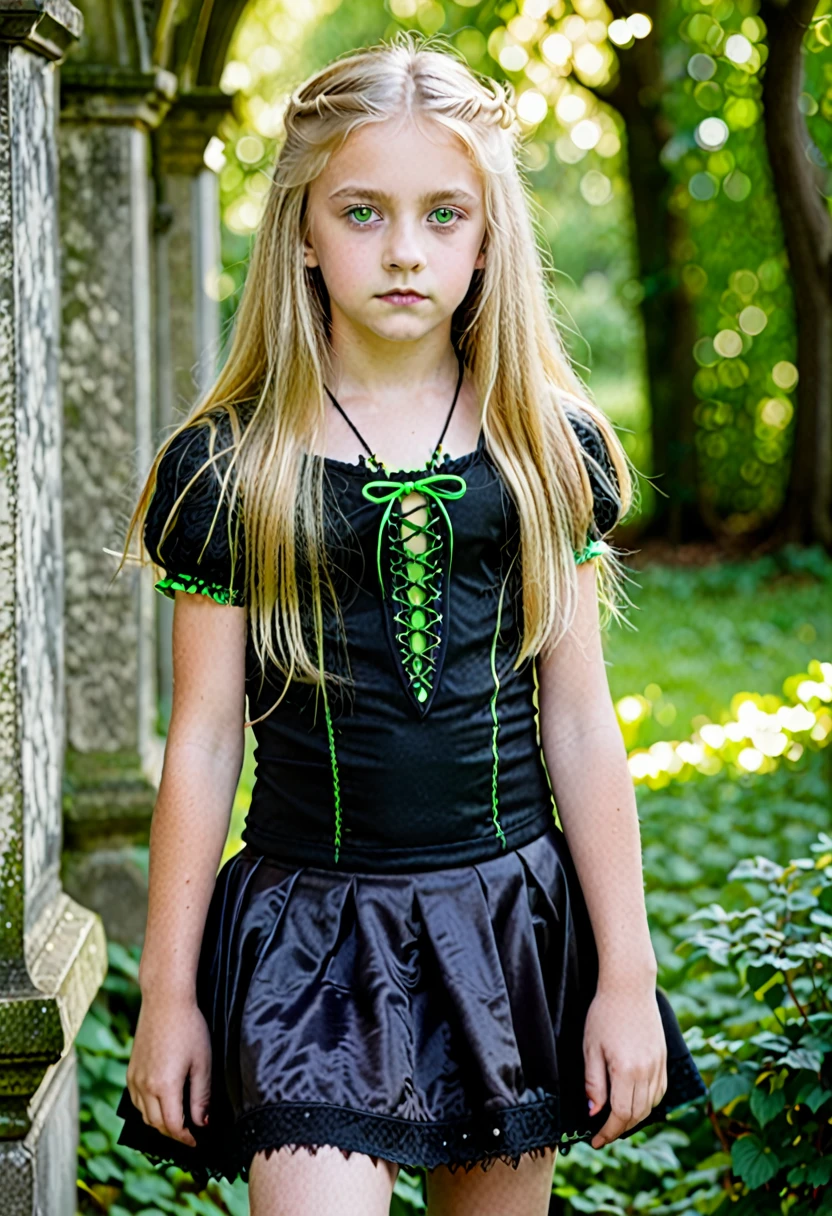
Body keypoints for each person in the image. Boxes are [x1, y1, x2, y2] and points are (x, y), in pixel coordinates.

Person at [114, 30, 707, 1216]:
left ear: (489, 237)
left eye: (443, 214)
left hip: (503, 921)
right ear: (300, 230)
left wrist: (626, 976)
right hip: (308, 939)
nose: (402, 251)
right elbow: (203, 740)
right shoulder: (229, 467)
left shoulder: (545, 448)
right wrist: (168, 992)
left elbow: (582, 723)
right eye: (362, 212)